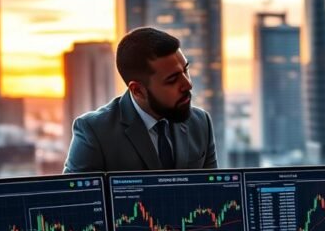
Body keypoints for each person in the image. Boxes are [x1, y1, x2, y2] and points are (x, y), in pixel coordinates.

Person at [64, 27, 218, 173]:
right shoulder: (94, 131)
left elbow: (214, 192)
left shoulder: (201, 122)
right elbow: (75, 199)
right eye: (172, 80)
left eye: (185, 71)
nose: (188, 84)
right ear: (138, 90)